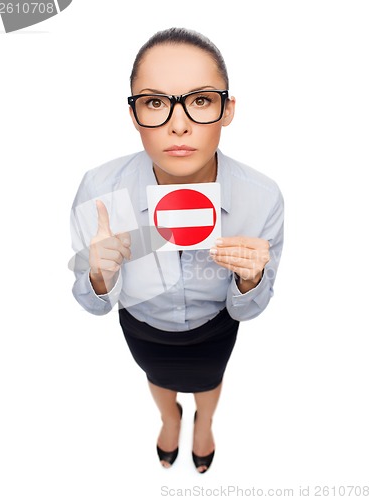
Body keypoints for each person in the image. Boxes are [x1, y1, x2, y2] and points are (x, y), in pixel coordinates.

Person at [70, 27, 284, 473]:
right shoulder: (100, 189)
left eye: (201, 100)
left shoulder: (262, 197)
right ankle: (170, 418)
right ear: (134, 114)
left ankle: (205, 421)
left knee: (209, 380)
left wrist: (251, 279)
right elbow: (93, 305)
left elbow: (249, 311)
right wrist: (98, 275)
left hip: (215, 326)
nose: (178, 123)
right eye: (155, 102)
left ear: (227, 110)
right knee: (158, 378)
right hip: (142, 325)